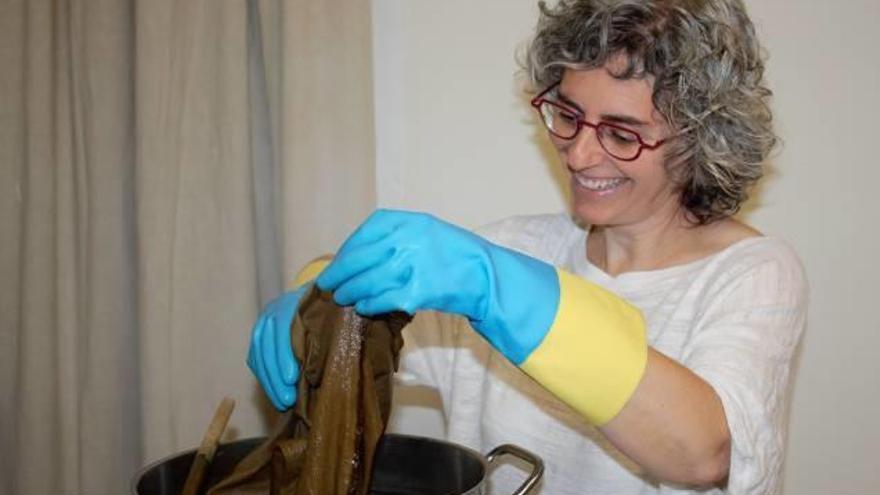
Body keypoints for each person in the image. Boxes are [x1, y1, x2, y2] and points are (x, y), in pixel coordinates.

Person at [247, 0, 807, 493]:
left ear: (700, 138)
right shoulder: (517, 245)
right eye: (567, 115)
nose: (581, 154)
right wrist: (314, 290)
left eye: (620, 132)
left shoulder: (751, 274)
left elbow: (704, 449)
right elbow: (378, 296)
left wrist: (502, 293)